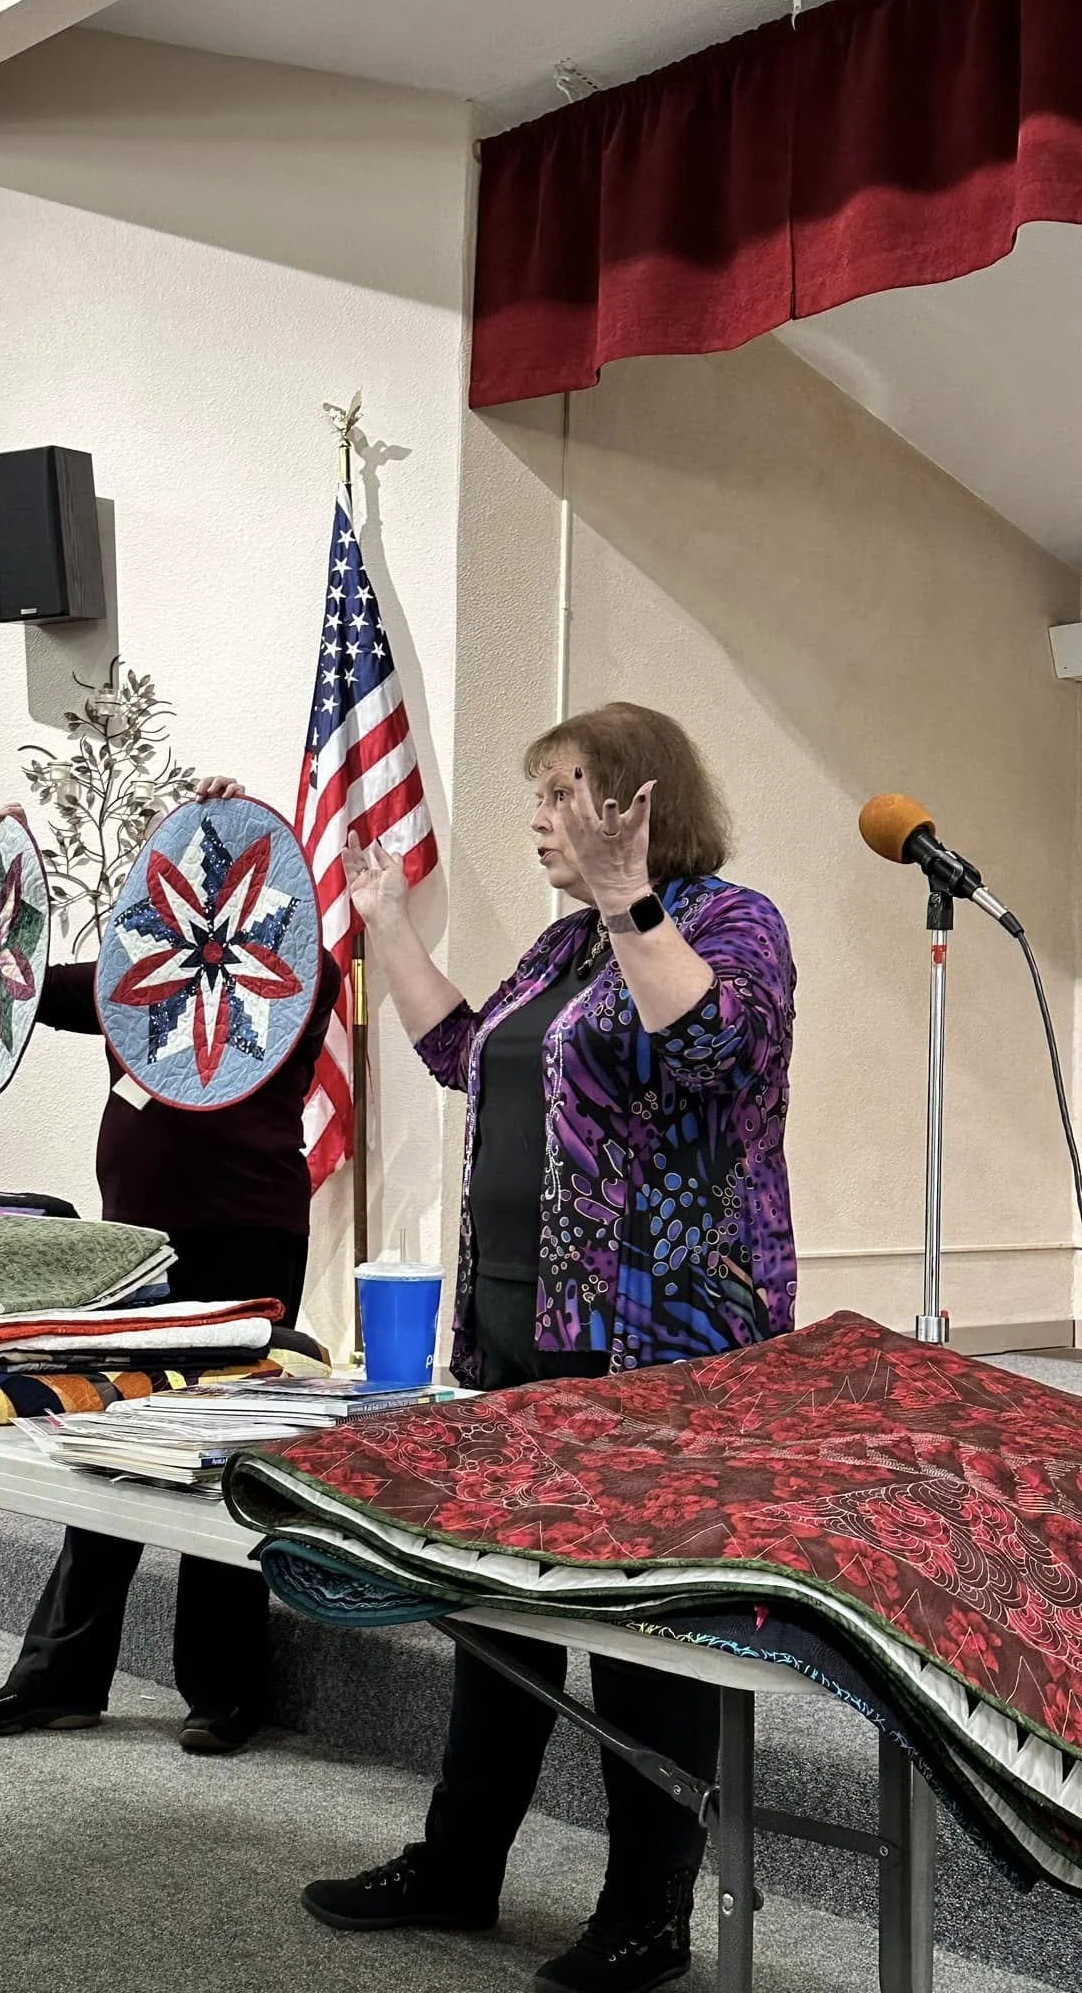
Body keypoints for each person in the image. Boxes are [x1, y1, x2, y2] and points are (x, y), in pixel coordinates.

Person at [301, 703, 796, 1993]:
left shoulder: (735, 926)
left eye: (558, 791)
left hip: (657, 1343)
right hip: (520, 1331)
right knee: (493, 1613)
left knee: (641, 1639)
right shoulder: (562, 944)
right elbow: (473, 1053)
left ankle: (648, 1912)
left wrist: (639, 909)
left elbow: (709, 1051)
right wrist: (391, 926)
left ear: (633, 802)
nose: (536, 817)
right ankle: (460, 1863)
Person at [0, 785, 340, 1757]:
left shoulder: (294, 969)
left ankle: (223, 1689)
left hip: (250, 1234)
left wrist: (237, 830)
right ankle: (61, 1675)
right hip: (139, 1241)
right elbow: (26, 984)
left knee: (225, 1447)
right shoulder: (140, 978)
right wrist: (21, 865)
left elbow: (287, 960)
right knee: (113, 1441)